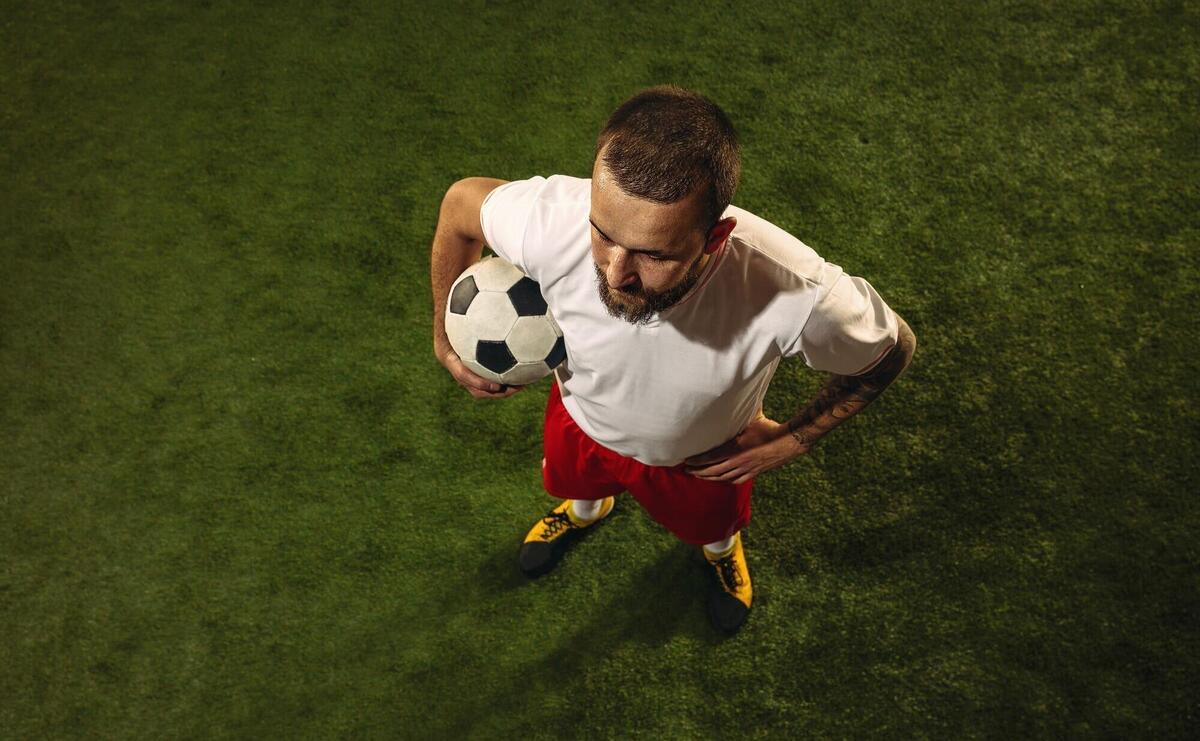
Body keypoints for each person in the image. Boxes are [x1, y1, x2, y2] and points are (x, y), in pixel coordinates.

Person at [430, 85, 917, 635]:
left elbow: (891, 349)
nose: (615, 272)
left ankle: (719, 552)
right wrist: (444, 338)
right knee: (579, 489)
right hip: (579, 419)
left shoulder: (795, 294)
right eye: (603, 233)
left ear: (716, 238)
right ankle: (585, 512)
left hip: (702, 459)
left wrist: (795, 438)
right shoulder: (551, 221)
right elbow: (460, 205)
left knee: (712, 528)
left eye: (653, 253)